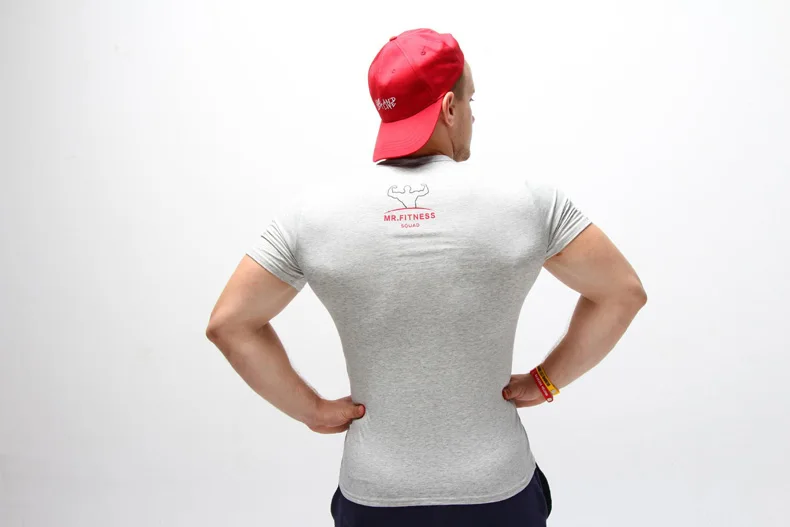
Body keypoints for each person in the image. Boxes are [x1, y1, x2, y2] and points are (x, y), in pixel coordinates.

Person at [205, 27, 647, 527]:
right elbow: (622, 293)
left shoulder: (312, 215)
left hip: (374, 494)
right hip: (497, 489)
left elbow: (230, 324)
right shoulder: (528, 201)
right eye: (470, 100)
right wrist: (547, 382)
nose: (473, 115)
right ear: (449, 108)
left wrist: (311, 410)